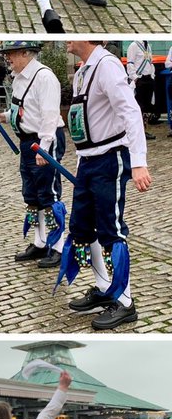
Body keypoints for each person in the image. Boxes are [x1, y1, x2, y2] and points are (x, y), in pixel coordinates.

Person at [59, 40, 151, 330]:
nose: (67, 40)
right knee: (82, 228)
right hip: (88, 160)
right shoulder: (84, 70)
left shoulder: (108, 65)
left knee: (111, 229)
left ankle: (124, 301)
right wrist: (80, 161)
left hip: (111, 158)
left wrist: (138, 161)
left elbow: (131, 112)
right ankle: (104, 288)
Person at [0, 41, 67, 268]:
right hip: (27, 141)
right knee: (31, 195)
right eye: (6, 54)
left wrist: (43, 146)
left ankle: (59, 247)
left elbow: (50, 116)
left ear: (26, 53)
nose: (7, 58)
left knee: (48, 194)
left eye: (11, 53)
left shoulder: (44, 77)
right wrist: (4, 117)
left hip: (44, 140)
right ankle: (40, 243)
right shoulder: (19, 77)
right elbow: (23, 109)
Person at [126, 38, 157, 122]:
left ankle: (144, 130)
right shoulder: (134, 45)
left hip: (149, 79)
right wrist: (135, 77)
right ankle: (139, 130)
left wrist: (152, 75)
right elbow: (130, 63)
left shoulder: (148, 46)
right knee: (139, 106)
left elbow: (150, 62)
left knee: (147, 106)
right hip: (140, 79)